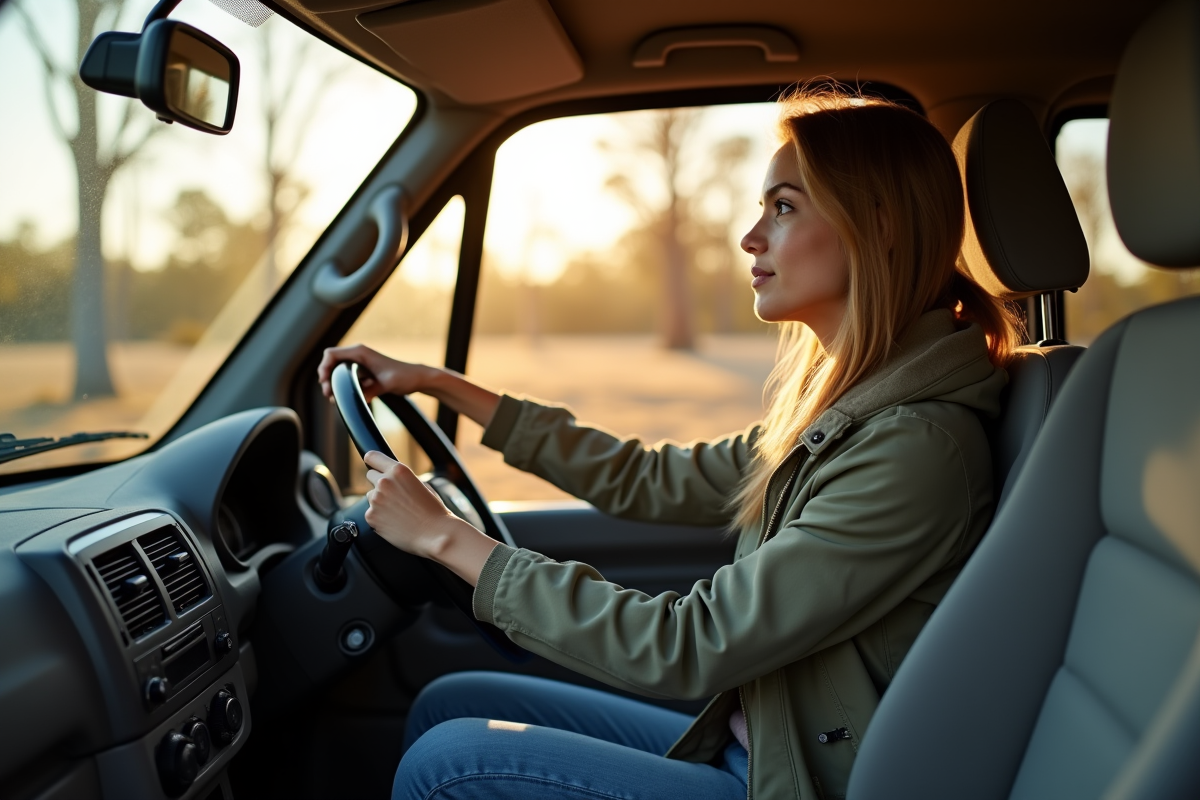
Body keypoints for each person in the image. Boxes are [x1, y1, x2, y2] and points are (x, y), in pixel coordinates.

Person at [317, 87, 1020, 800]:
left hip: (795, 781)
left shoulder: (912, 449)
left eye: (783, 208)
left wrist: (445, 538)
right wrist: (441, 384)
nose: (750, 238)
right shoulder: (853, 412)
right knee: (454, 702)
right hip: (763, 742)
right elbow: (646, 477)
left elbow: (691, 643)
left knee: (448, 765)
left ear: (880, 224)